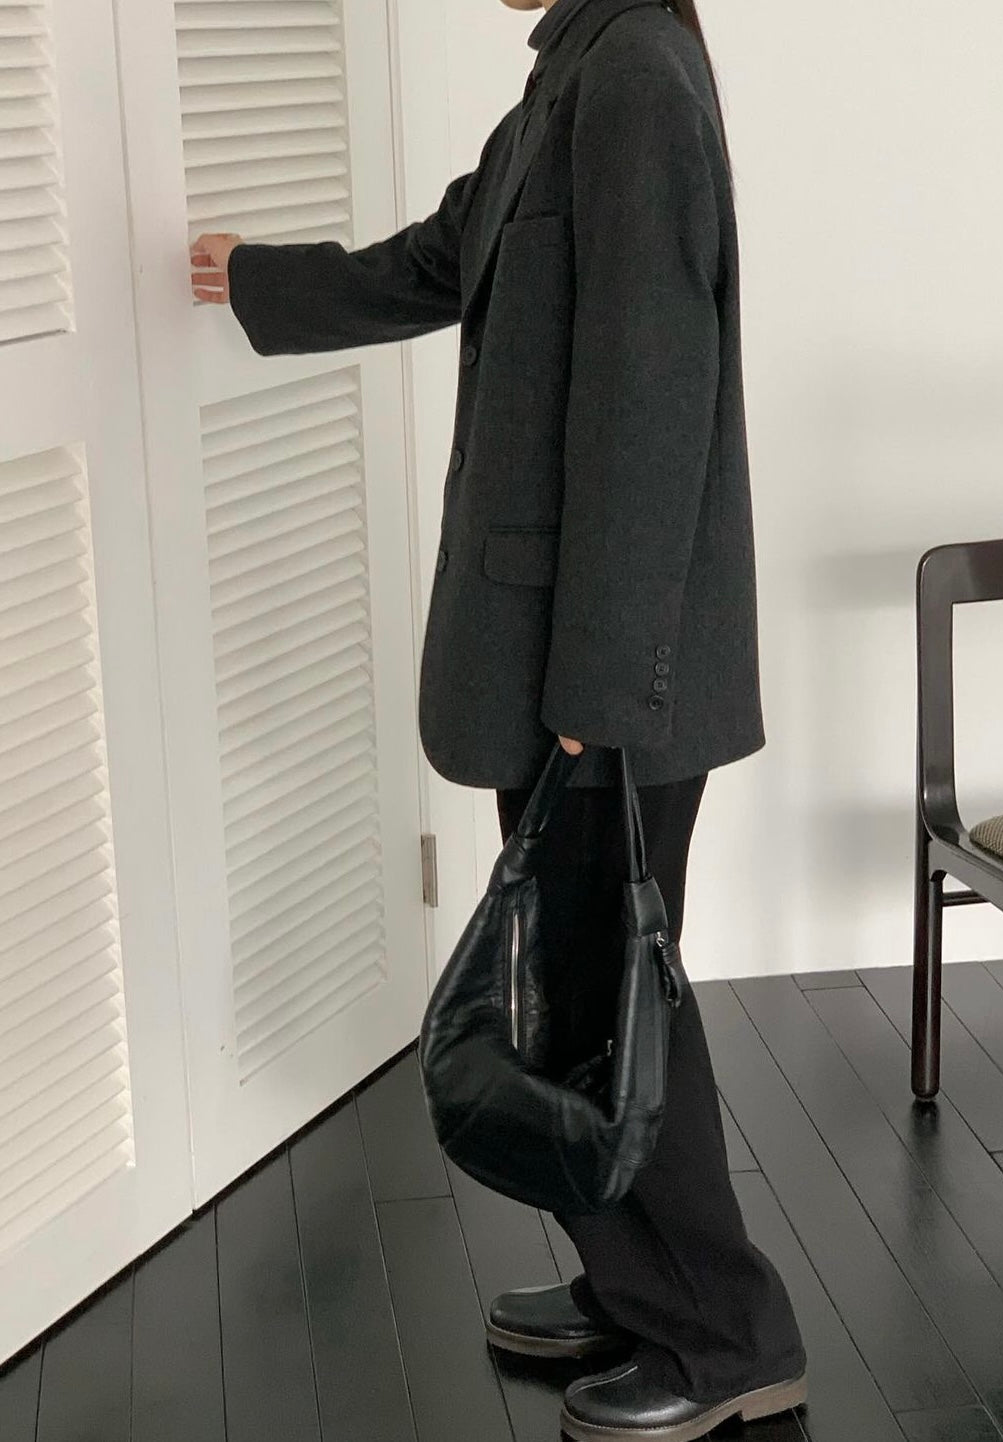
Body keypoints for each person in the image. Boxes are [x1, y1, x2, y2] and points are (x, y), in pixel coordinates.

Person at [190, 0, 807, 1436]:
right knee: (591, 988)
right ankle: (639, 1285)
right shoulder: (577, 69)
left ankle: (726, 1334)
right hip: (563, 659)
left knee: (613, 994)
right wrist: (259, 281)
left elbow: (651, 402)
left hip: (605, 676)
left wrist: (596, 698)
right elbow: (446, 253)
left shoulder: (635, 80)